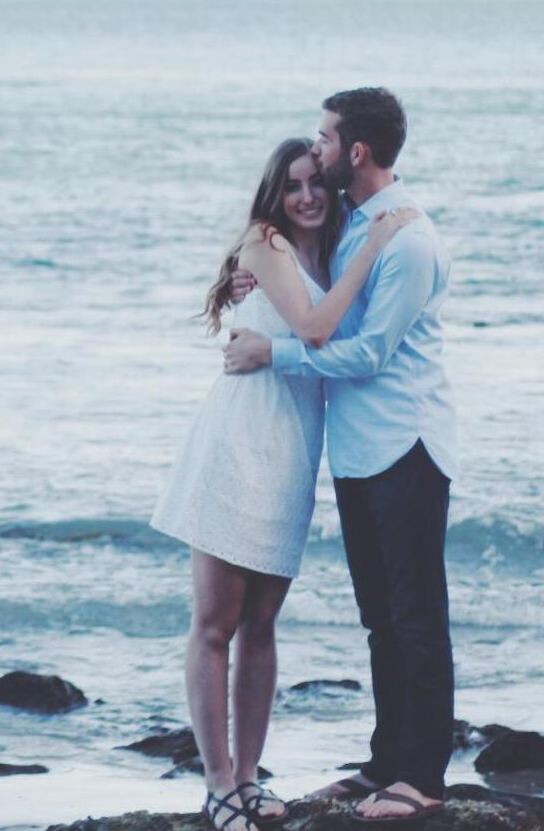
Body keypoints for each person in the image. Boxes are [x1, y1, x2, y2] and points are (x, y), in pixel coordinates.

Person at [150, 135, 416, 831]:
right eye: (293, 184)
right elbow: (315, 329)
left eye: (315, 183)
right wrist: (375, 245)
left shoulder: (326, 251)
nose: (305, 195)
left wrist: (368, 246)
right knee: (215, 625)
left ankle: (247, 778)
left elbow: (341, 326)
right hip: (237, 442)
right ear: (274, 192)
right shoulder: (264, 242)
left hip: (293, 452)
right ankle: (217, 788)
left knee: (262, 628)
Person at [224, 88, 457, 825]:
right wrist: (248, 282)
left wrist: (273, 353)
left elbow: (367, 353)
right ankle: (385, 763)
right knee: (380, 618)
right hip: (357, 451)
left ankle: (422, 778)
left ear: (355, 151)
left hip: (405, 443)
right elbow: (300, 280)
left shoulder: (407, 239)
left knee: (416, 617)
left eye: (325, 139)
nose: (316, 148)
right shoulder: (352, 223)